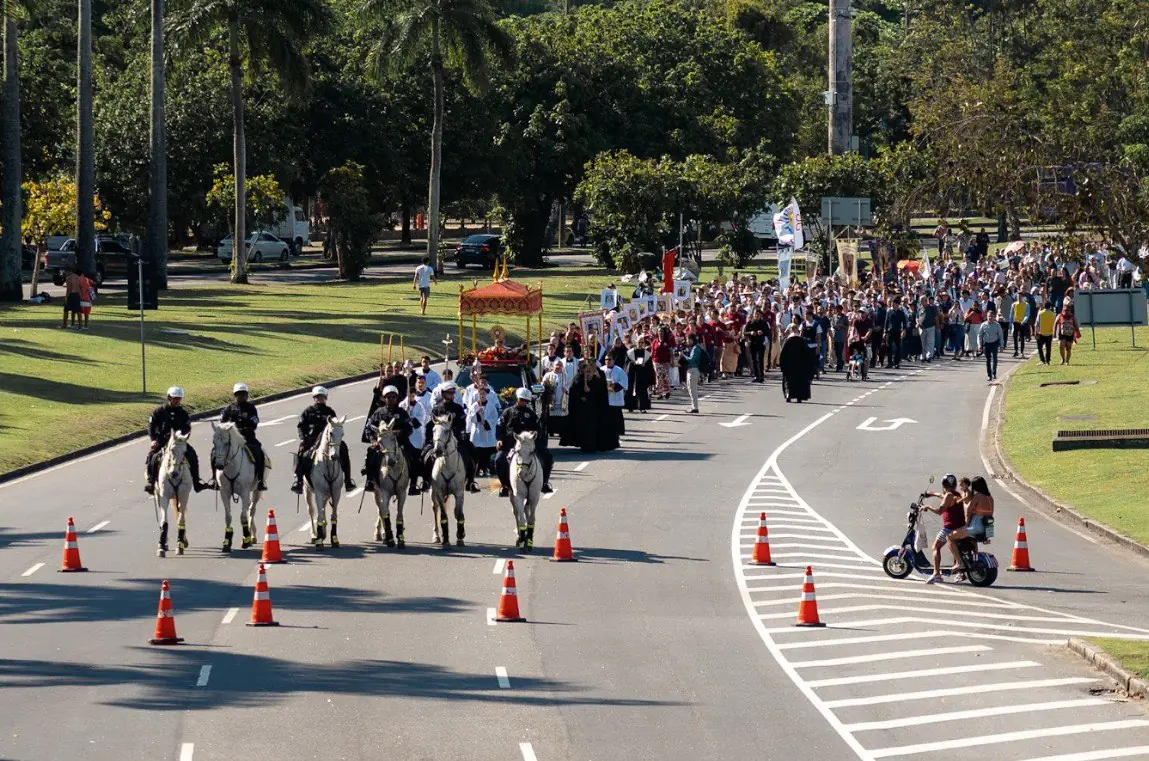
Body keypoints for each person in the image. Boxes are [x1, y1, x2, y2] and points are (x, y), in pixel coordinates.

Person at [145, 386, 214, 495]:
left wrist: (182, 438)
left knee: (192, 455)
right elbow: (151, 426)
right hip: (162, 441)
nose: (177, 401)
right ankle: (151, 482)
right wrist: (153, 440)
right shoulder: (158, 412)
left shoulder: (183, 413)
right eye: (175, 398)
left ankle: (196, 482)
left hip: (178, 442)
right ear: (169, 398)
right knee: (152, 457)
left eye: (179, 398)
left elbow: (187, 428)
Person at [291, 386, 356, 494]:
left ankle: (348, 480)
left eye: (322, 397)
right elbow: (301, 426)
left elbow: (336, 425)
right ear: (314, 398)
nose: (320, 399)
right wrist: (303, 439)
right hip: (312, 440)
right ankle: (298, 481)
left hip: (328, 440)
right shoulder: (308, 411)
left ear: (326, 398)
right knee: (301, 453)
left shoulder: (330, 411)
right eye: (317, 397)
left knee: (343, 449)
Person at [421, 382, 481, 493]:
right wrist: (430, 437)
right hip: (439, 439)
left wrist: (462, 432)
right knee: (424, 455)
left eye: (453, 392)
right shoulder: (436, 409)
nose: (452, 394)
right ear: (443, 393)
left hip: (455, 438)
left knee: (472, 452)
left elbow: (462, 422)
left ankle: (471, 481)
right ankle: (426, 481)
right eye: (449, 392)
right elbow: (431, 424)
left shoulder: (457, 408)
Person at [495, 388, 554, 495]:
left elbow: (538, 429)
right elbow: (499, 426)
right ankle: (504, 486)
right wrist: (499, 439)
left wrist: (535, 438)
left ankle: (544, 483)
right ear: (517, 398)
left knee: (547, 457)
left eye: (526, 401)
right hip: (511, 442)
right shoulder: (507, 412)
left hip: (528, 442)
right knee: (498, 460)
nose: (524, 402)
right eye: (522, 399)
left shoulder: (531, 414)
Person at [362, 385, 412, 495]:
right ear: (384, 399)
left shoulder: (402, 412)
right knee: (370, 454)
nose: (391, 399)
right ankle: (370, 480)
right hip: (382, 444)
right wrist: (373, 440)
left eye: (393, 397)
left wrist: (400, 432)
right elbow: (369, 428)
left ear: (397, 398)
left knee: (413, 454)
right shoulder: (378, 413)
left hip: (399, 442)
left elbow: (409, 428)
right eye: (388, 397)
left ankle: (413, 483)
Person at [218, 382, 268, 491]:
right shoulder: (229, 409)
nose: (242, 396)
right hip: (231, 439)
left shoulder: (251, 408)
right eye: (239, 394)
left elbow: (255, 422)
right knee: (216, 452)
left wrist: (247, 428)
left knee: (259, 452)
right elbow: (221, 423)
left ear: (247, 395)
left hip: (247, 438)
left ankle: (260, 480)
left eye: (244, 394)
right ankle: (215, 479)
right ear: (235, 395)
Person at [920, 474, 967, 584]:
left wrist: (927, 507)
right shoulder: (956, 494)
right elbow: (944, 496)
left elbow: (940, 511)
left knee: (935, 547)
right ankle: (960, 572)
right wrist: (932, 494)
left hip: (949, 528)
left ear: (943, 485)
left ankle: (936, 574)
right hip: (960, 527)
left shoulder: (949, 495)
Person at [399, 383, 429, 494]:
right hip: (405, 437)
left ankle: (413, 484)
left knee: (416, 461)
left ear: (414, 395)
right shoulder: (402, 405)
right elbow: (399, 418)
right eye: (408, 395)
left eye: (412, 395)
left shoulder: (419, 406)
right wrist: (405, 417)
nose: (410, 397)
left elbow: (421, 419)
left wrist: (410, 420)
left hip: (416, 437)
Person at [467, 384, 501, 479]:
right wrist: (478, 416)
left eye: (483, 394)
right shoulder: (474, 406)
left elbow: (494, 418)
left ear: (486, 395)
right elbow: (470, 417)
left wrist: (485, 421)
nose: (482, 396)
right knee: (477, 452)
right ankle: (477, 469)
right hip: (478, 433)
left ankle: (487, 468)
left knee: (487, 452)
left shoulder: (491, 406)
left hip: (487, 433)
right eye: (480, 394)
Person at [779, 332, 816, 402]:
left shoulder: (787, 343)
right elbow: (809, 356)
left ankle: (788, 395)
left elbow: (782, 356)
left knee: (788, 382)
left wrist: (782, 367)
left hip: (789, 366)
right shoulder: (802, 342)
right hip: (801, 367)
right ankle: (799, 397)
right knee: (800, 382)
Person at [602, 352, 628, 441]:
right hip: (605, 399)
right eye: (606, 359)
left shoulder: (619, 370)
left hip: (616, 399)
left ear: (613, 360)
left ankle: (616, 435)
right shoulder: (601, 370)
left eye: (609, 359)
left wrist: (614, 387)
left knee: (616, 419)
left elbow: (624, 383)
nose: (607, 361)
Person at [625, 338, 654, 412]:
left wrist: (645, 365)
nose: (640, 344)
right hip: (632, 374)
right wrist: (632, 363)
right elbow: (626, 364)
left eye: (642, 342)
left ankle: (642, 408)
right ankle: (630, 407)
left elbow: (650, 366)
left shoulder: (647, 354)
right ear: (636, 342)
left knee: (643, 391)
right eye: (639, 342)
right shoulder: (630, 353)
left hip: (642, 374)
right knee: (631, 390)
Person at [743, 308, 769, 383]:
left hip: (761, 343)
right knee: (754, 360)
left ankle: (761, 376)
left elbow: (768, 332)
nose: (756, 315)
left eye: (758, 314)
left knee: (760, 359)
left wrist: (762, 332)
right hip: (752, 343)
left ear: (761, 315)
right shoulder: (750, 322)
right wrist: (750, 333)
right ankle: (756, 376)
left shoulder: (764, 323)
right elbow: (745, 333)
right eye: (755, 314)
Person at [978, 309, 1005, 381]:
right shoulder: (983, 325)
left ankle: (994, 373)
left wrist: (1001, 346)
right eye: (989, 316)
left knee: (995, 359)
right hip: (986, 344)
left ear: (994, 317)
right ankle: (989, 375)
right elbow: (980, 335)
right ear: (987, 317)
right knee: (988, 360)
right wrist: (979, 345)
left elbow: (1001, 336)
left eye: (992, 316)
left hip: (994, 343)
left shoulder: (997, 325)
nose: (990, 318)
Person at [681, 333, 704, 413]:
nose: (687, 341)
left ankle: (695, 408)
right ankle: (693, 406)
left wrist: (683, 355)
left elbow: (691, 359)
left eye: (687, 339)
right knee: (690, 389)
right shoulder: (692, 348)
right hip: (691, 369)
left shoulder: (696, 348)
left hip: (694, 369)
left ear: (691, 339)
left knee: (692, 389)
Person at [1034, 301, 1056, 365]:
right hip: (1049, 333)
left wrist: (1035, 331)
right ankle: (1048, 360)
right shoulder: (1053, 314)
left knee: (1039, 347)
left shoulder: (1040, 313)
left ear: (1044, 306)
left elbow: (1036, 323)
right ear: (1050, 306)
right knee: (1048, 348)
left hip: (1041, 332)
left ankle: (1042, 360)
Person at [1010, 291, 1029, 358]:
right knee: (1015, 337)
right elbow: (1011, 315)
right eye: (1018, 296)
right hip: (1015, 322)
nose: (1019, 298)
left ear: (1023, 297)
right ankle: (1016, 351)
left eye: (1020, 296)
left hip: (1022, 323)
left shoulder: (1026, 304)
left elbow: (1027, 314)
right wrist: (1011, 323)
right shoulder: (1014, 304)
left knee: (1022, 338)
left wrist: (1024, 321)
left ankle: (1022, 352)